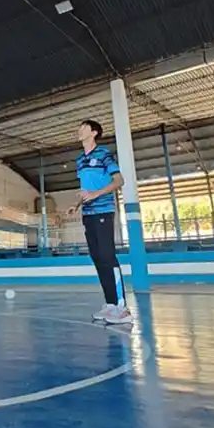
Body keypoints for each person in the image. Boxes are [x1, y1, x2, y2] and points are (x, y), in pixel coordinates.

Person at [66, 120, 132, 324]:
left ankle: (122, 308)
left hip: (104, 210)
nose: (80, 130)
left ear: (94, 133)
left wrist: (95, 195)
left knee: (107, 255)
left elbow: (119, 181)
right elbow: (86, 188)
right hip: (88, 213)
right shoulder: (80, 160)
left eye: (84, 127)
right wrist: (76, 205)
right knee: (97, 257)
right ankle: (110, 304)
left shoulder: (103, 153)